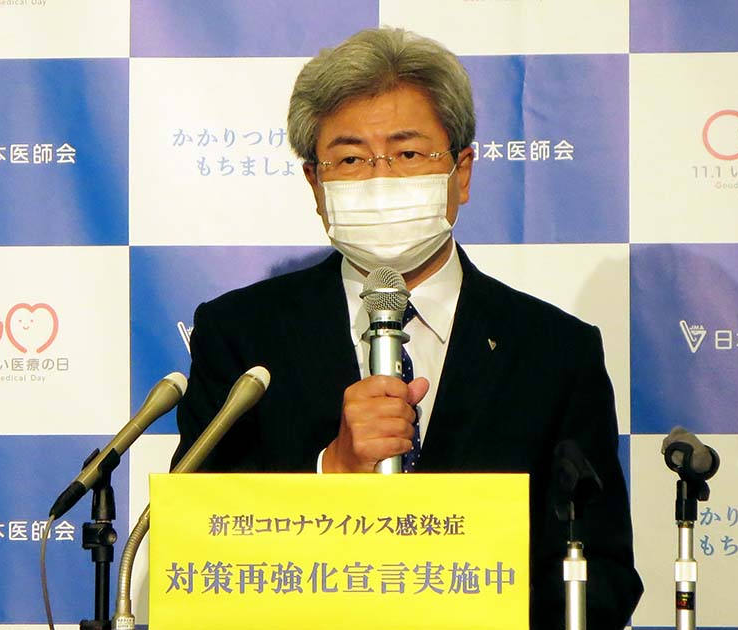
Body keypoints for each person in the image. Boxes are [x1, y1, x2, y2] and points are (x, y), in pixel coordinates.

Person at [171, 27, 643, 628]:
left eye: (408, 154)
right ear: (315, 185)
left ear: (461, 173)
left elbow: (601, 572)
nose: (381, 179)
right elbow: (197, 546)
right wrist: (332, 472)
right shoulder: (240, 334)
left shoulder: (555, 351)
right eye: (350, 159)